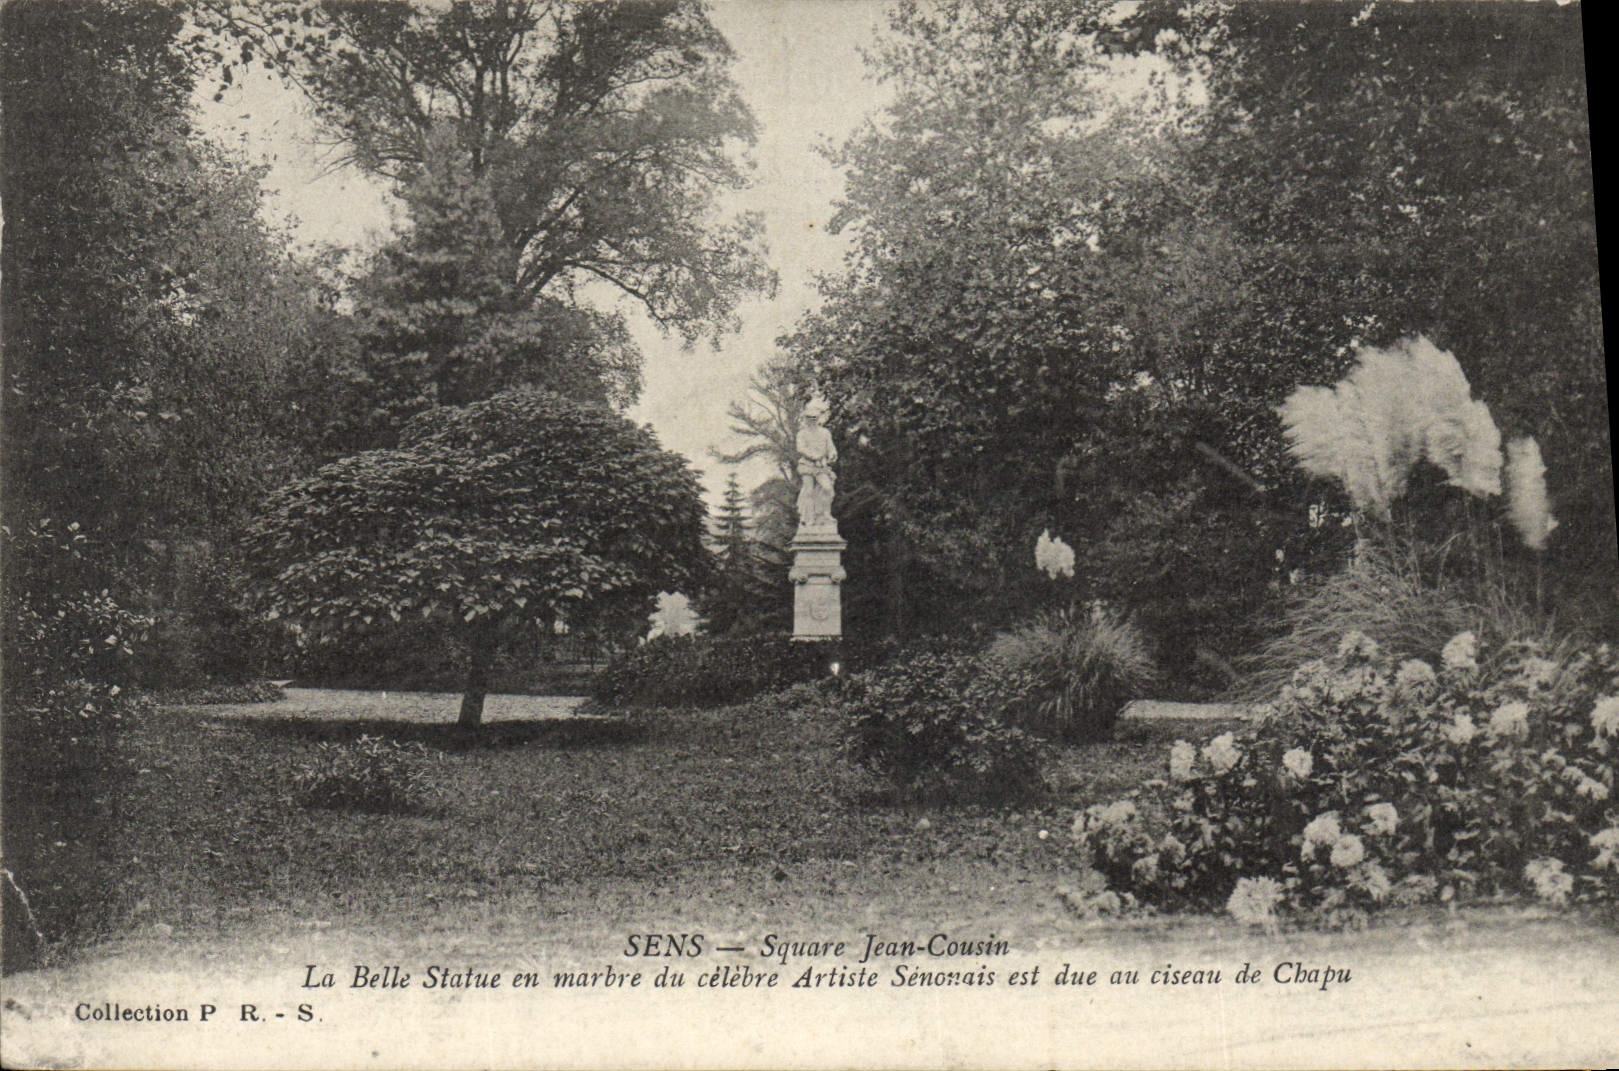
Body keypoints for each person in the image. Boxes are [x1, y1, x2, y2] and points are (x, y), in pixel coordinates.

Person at [796, 397, 837, 529]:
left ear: (818, 418)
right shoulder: (802, 433)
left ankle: (824, 514)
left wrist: (832, 455)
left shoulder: (825, 433)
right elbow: (801, 448)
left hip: (821, 467)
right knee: (808, 491)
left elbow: (831, 448)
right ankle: (809, 518)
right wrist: (814, 456)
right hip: (807, 466)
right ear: (805, 419)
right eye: (809, 417)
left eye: (814, 417)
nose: (812, 420)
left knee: (827, 488)